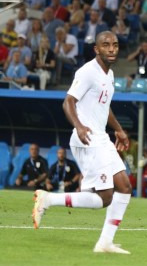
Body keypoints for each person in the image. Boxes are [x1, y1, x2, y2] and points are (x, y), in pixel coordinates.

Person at [32, 31, 133, 254]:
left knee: (125, 187)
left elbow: (104, 107)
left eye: (115, 45)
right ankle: (48, 199)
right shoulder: (87, 72)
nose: (111, 49)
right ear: (96, 49)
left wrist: (118, 130)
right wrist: (78, 126)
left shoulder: (110, 74)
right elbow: (68, 102)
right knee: (104, 197)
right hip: (87, 138)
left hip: (101, 137)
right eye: (105, 45)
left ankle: (105, 243)